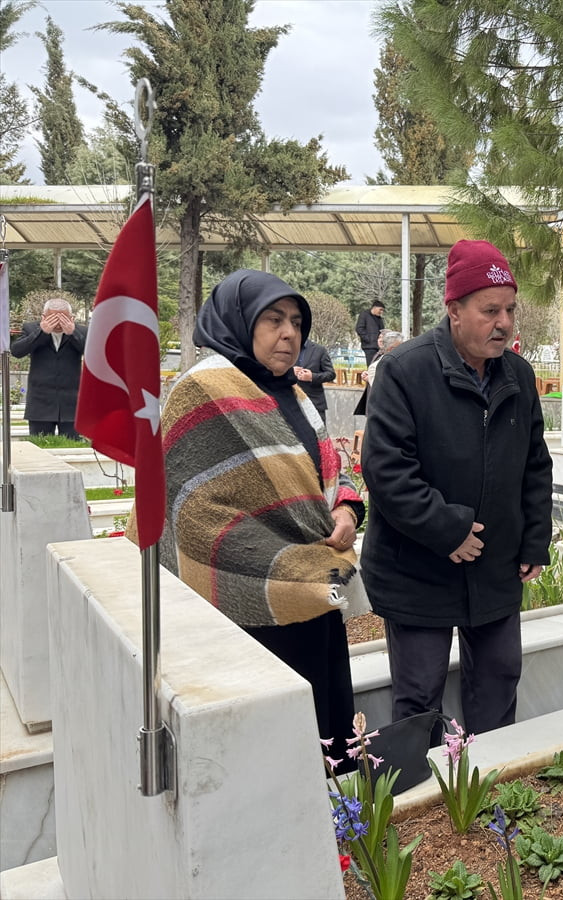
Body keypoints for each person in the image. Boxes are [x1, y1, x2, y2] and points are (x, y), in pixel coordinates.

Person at [138, 270, 365, 768]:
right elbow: (191, 512)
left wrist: (347, 508)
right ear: (238, 322)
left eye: (297, 322)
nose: (290, 333)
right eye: (274, 319)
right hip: (245, 610)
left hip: (313, 602)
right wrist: (290, 566)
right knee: (269, 755)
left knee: (322, 740)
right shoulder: (200, 391)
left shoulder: (298, 396)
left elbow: (330, 474)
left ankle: (338, 838)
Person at [360, 239, 552, 736]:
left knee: (498, 681)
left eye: (509, 309)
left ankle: (488, 793)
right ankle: (421, 804)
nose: (504, 322)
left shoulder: (518, 374)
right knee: (419, 697)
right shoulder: (405, 371)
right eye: (490, 310)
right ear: (454, 310)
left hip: (494, 569)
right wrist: (449, 530)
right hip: (418, 570)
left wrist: (534, 539)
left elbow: (535, 464)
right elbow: (386, 471)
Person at [11, 298, 88, 438]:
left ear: (71, 318)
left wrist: (73, 334)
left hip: (71, 403)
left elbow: (93, 354)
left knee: (72, 447)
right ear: (43, 317)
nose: (58, 324)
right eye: (53, 318)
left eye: (63, 318)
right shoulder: (30, 328)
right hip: (40, 403)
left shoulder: (82, 331)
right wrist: (41, 332)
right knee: (40, 448)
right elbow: (16, 351)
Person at [353, 330, 403, 417]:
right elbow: (381, 388)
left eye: (381, 337)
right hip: (385, 412)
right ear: (392, 348)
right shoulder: (377, 364)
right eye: (379, 337)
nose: (379, 340)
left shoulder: (403, 362)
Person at [294, 338, 335, 423]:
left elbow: (331, 374)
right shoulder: (285, 348)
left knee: (319, 435)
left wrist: (312, 377)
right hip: (292, 401)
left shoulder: (319, 350)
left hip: (315, 402)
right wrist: (290, 372)